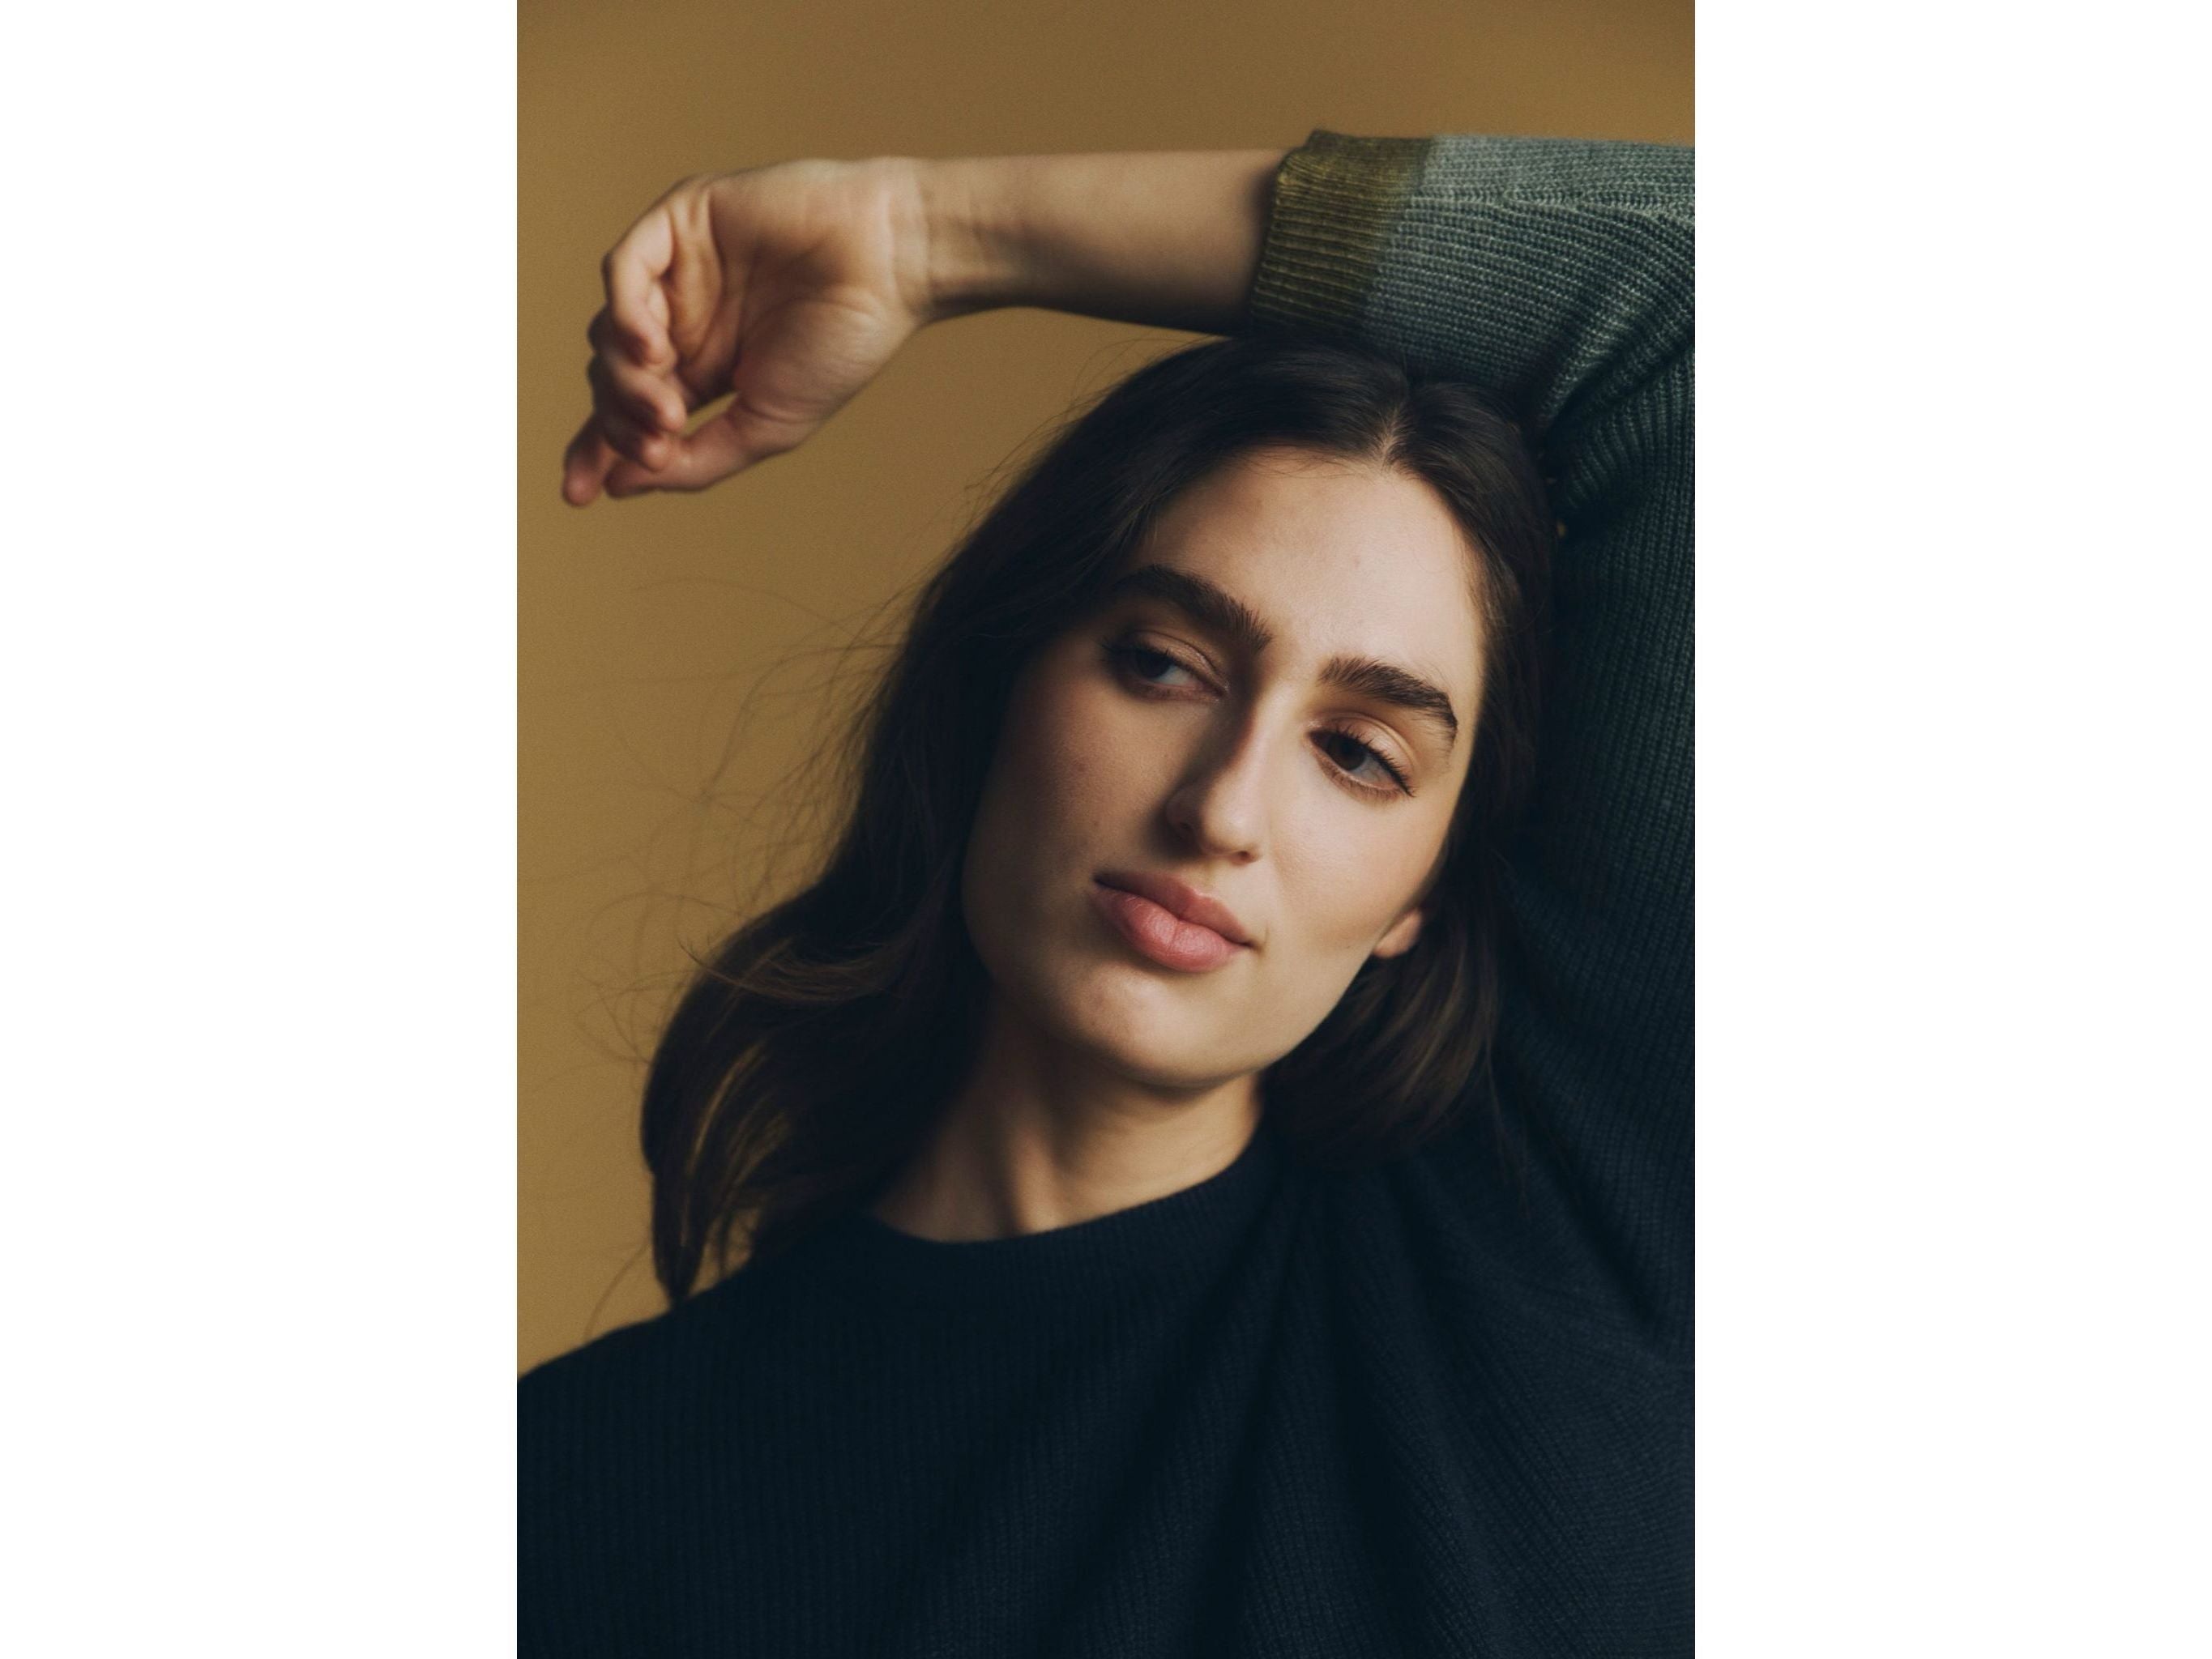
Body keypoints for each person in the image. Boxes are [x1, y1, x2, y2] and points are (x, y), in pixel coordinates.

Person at [525, 131, 1693, 1657]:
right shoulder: (567, 1492)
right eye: (1163, 665)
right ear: (998, 686)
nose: (1221, 809)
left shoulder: (1552, 1258)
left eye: (1357, 754)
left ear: (1424, 889)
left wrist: (929, 229)